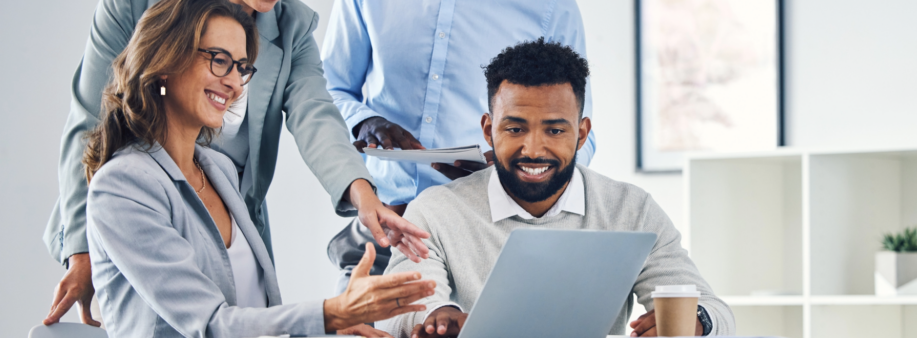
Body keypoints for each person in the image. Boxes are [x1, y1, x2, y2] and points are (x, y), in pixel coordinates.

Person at [43, 0, 432, 326]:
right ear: (166, 63)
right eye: (218, 61)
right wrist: (83, 250)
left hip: (226, 203)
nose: (233, 84)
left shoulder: (222, 173)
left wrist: (364, 198)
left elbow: (315, 113)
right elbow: (211, 324)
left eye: (242, 68)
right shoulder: (124, 189)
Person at [376, 39, 736, 338]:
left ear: (581, 133)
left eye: (555, 130)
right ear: (488, 130)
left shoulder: (632, 208)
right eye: (515, 129)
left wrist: (699, 321)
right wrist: (439, 315)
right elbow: (396, 312)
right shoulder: (437, 210)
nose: (533, 149)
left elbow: (715, 310)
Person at [321, 0, 598, 294]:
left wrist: (513, 171)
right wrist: (364, 121)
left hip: (482, 244)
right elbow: (328, 87)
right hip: (384, 231)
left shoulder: (552, 7)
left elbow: (579, 136)